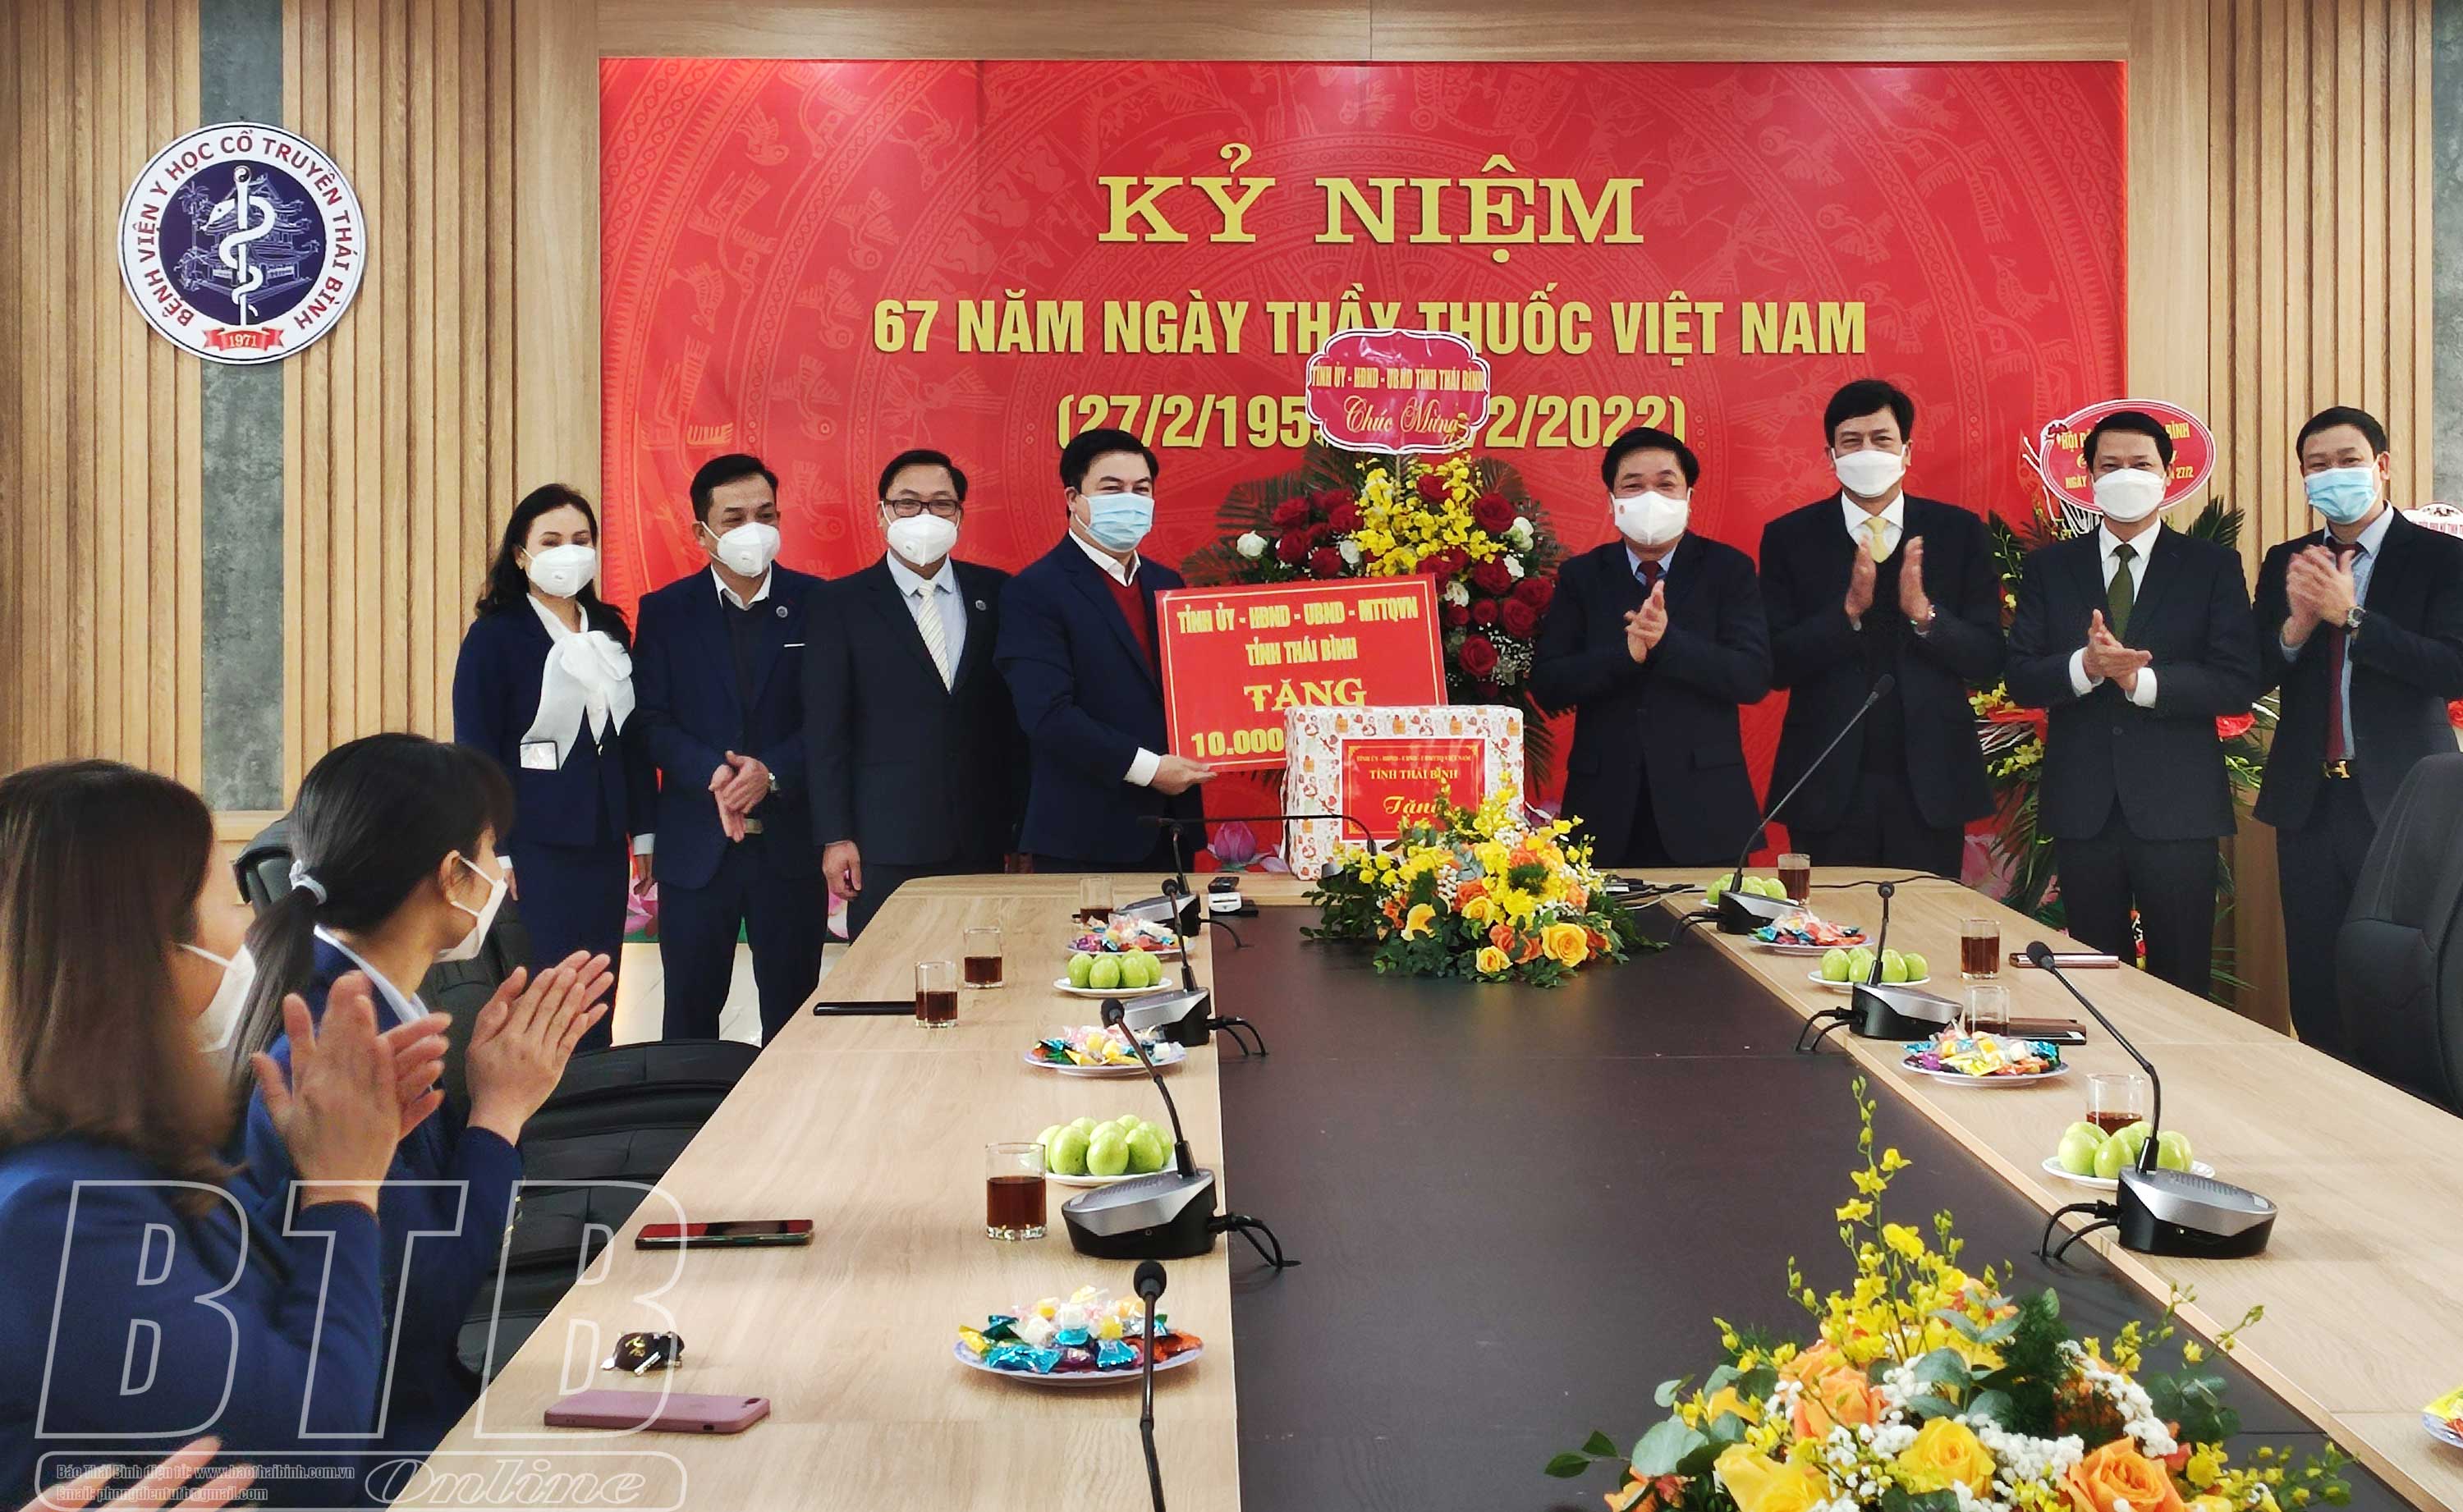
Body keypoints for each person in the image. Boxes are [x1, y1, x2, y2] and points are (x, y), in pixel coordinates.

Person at [0, 759, 448, 1506]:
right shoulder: (56, 1215)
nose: (249, 925)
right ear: (142, 952)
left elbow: (247, 1317)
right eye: (227, 899)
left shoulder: (113, 1157)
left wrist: (320, 1165)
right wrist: (343, 1192)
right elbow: (306, 1460)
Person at [229, 734, 612, 1461]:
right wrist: (499, 1113)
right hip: (387, 1442)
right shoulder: (340, 1049)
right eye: (491, 850)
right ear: (452, 875)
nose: (501, 873)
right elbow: (424, 1299)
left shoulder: (349, 1001)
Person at [2005, 410, 2259, 993]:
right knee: (2096, 978)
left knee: (2182, 980)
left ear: (2167, 474)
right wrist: (2086, 667)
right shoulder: (2051, 567)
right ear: (2090, 478)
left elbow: (2235, 680)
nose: (2127, 475)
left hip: (2179, 805)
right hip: (2084, 805)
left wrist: (2141, 682)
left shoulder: (2210, 566)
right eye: (2111, 465)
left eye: (2141, 464)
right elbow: (2021, 676)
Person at [2253, 405, 2463, 1056]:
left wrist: (2352, 618)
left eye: (2348, 460)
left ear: (2382, 465)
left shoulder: (2441, 557)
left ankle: (2406, 1106)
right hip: (2310, 800)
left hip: (2405, 801)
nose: (2333, 474)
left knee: (2402, 974)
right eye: (2317, 465)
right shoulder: (2288, 560)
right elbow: (2251, 674)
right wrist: (2295, 629)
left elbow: (2452, 669)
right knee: (2316, 979)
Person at [1759, 378, 2004, 877]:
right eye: (1852, 441)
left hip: (1930, 781)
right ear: (1830, 455)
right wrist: (1847, 612)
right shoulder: (1790, 537)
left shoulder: (1958, 532)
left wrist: (1926, 616)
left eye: (1881, 439)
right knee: (1828, 921)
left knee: (1924, 920)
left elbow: (1988, 657)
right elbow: (1774, 664)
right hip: (1827, 777)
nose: (1867, 451)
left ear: (1906, 452)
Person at [452, 483, 653, 1050]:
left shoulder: (609, 627)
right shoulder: (494, 636)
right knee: (545, 985)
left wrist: (645, 830)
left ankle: (597, 1084)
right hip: (532, 842)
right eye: (552, 540)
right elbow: (477, 750)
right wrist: (496, 847)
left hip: (604, 836)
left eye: (581, 539)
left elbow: (632, 738)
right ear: (521, 555)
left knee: (598, 980)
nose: (569, 551)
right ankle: (546, 1093)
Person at [635, 453, 826, 1040]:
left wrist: (772, 772)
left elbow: (832, 718)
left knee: (793, 1023)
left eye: (765, 515)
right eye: (735, 518)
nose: (753, 529)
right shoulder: (666, 611)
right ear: (702, 532)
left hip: (791, 850)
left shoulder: (819, 603)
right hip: (698, 849)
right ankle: (691, 1107)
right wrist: (714, 774)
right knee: (689, 1022)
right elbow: (649, 720)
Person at [806, 449, 1025, 937]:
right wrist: (836, 836)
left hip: (982, 838)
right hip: (884, 843)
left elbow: (1013, 724)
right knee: (888, 972)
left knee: (982, 969)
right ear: (882, 512)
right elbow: (825, 731)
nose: (925, 515)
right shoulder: (838, 603)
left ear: (959, 515)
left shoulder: (999, 594)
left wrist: (1020, 830)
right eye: (908, 503)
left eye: (941, 503)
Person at [1531, 425, 1771, 866]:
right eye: (1633, 486)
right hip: (1604, 809)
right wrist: (1626, 657)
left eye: (1665, 484)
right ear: (1612, 502)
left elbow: (1752, 676)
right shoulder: (1582, 576)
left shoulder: (1728, 569)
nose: (1650, 498)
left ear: (1688, 497)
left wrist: (1667, 644)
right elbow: (1548, 684)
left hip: (1706, 808)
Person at [998, 428, 1215, 873]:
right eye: (1112, 489)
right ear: (1074, 499)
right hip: (1085, 834)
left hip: (1172, 828)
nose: (1129, 501)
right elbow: (1047, 715)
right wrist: (1150, 770)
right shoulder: (1035, 590)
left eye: (1141, 489)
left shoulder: (1167, 583)